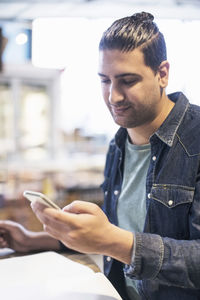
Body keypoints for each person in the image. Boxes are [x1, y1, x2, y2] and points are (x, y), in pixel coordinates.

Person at [1, 11, 200, 300]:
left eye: (127, 81)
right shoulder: (118, 145)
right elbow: (113, 235)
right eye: (105, 80)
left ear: (162, 73)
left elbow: (118, 240)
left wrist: (115, 241)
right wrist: (34, 240)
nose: (113, 96)